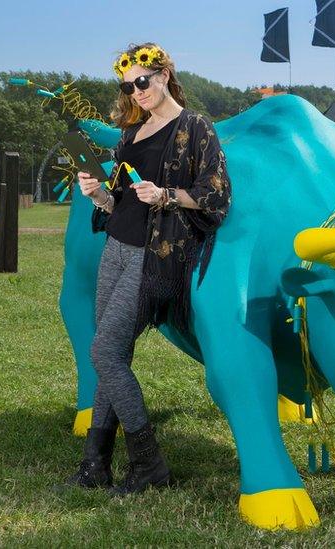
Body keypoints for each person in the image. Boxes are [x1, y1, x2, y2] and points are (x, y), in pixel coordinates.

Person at [68, 43, 231, 495]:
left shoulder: (196, 127)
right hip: (116, 247)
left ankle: (148, 465)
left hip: (157, 256)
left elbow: (216, 195)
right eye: (128, 85)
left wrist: (167, 195)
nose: (136, 91)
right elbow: (118, 201)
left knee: (104, 352)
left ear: (164, 75)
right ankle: (95, 465)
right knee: (110, 352)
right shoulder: (130, 134)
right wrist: (97, 194)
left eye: (143, 81)